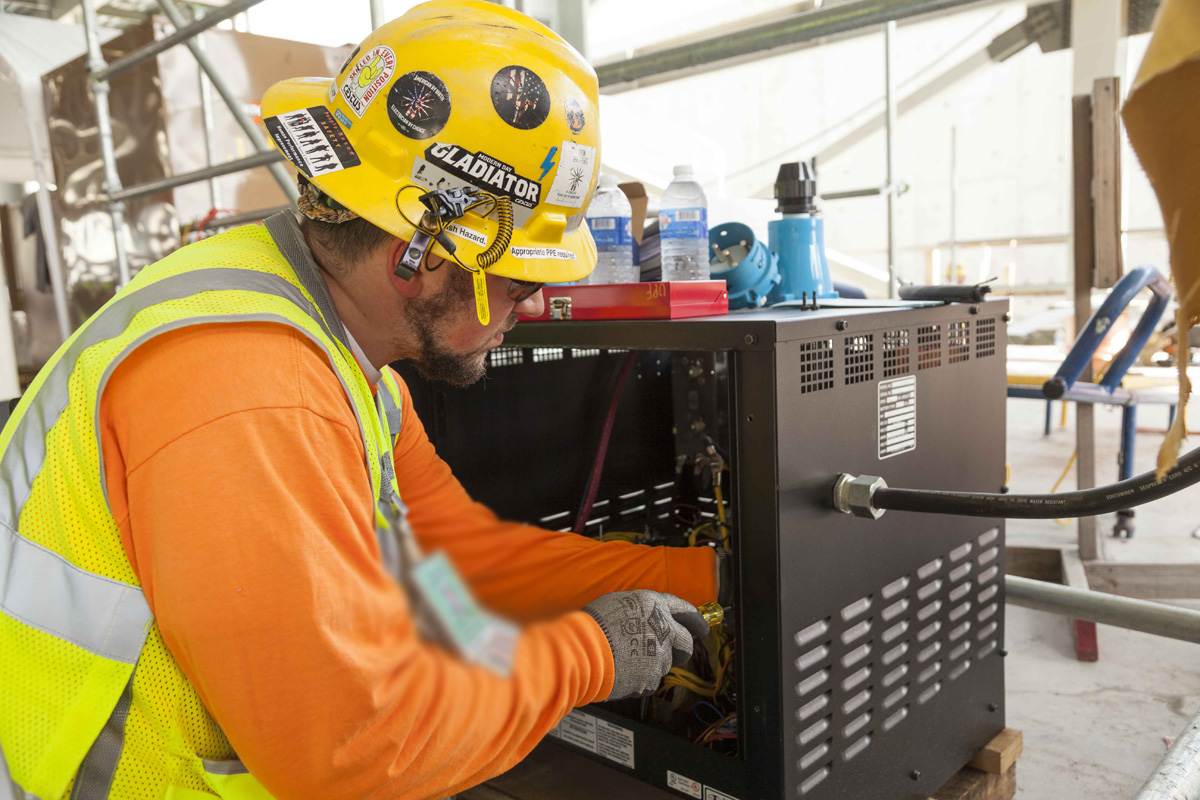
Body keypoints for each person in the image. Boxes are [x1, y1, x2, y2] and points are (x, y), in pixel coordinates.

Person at [0, 3, 722, 799]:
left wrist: (714, 579)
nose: (531, 306)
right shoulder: (246, 388)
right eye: (521, 277)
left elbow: (454, 566)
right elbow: (354, 752)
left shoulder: (349, 364)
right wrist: (593, 655)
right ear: (418, 255)